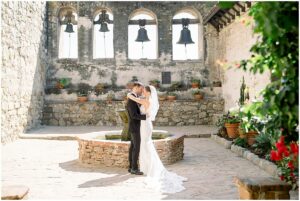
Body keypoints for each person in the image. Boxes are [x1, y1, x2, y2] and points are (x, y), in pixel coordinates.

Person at [127, 85, 187, 193]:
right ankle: (144, 166)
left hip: (145, 125)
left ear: (149, 92)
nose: (142, 91)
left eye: (144, 90)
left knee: (146, 144)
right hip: (144, 124)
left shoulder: (146, 101)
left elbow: (134, 99)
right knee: (145, 145)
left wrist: (129, 94)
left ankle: (149, 167)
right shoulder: (145, 99)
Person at [126, 82, 147, 175]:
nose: (141, 90)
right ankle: (134, 168)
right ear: (136, 87)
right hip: (135, 127)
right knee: (136, 148)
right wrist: (145, 117)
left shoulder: (133, 97)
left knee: (133, 147)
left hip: (134, 126)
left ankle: (131, 167)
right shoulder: (131, 100)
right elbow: (134, 115)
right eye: (141, 89)